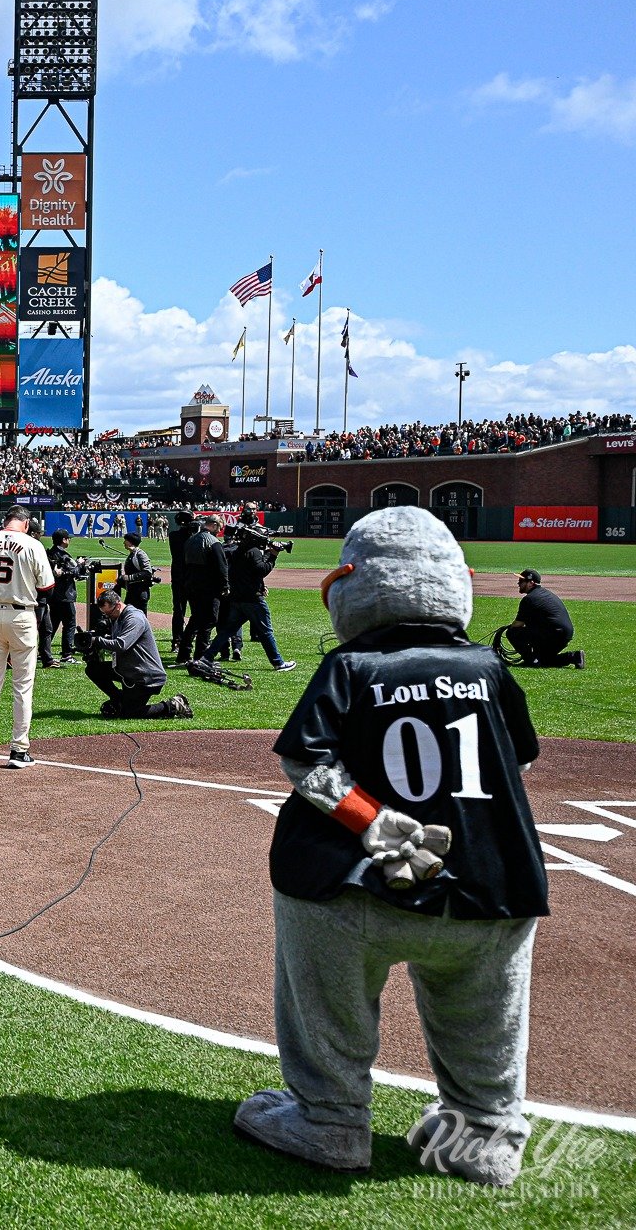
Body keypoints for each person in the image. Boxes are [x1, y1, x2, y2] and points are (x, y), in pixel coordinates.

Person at [237, 507, 546, 1186]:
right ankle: (484, 1132)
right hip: (488, 884)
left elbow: (308, 767)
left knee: (328, 996)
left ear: (350, 583)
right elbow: (519, 758)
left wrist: (374, 822)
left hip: (350, 882)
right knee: (484, 1013)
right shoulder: (489, 668)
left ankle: (330, 1116)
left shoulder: (352, 666)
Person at [0, 506, 55, 768]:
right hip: (22, 615)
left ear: (4, 521)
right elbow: (47, 589)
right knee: (22, 686)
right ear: (26, 524)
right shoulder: (32, 544)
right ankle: (18, 751)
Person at [200, 523, 298, 672]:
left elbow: (249, 572)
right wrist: (273, 556)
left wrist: (267, 555)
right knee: (266, 631)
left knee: (228, 630)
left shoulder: (239, 551)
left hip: (238, 598)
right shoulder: (254, 552)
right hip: (252, 599)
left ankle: (206, 658)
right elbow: (261, 570)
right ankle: (278, 662)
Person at [81, 590, 192, 719]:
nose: (107, 617)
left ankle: (173, 705)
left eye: (109, 614)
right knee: (94, 669)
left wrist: (97, 641)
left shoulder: (134, 618)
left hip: (146, 676)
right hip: (128, 670)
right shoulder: (117, 617)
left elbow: (122, 645)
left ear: (117, 605)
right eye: (104, 614)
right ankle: (120, 698)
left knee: (129, 713)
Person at [503, 570, 583, 668]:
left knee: (512, 632)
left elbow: (517, 625)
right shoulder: (545, 594)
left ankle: (531, 661)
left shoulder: (529, 599)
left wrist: (507, 628)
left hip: (552, 634)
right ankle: (574, 656)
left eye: (521, 580)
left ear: (531, 583)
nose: (518, 583)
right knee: (544, 661)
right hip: (565, 634)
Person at [178, 515, 229, 667]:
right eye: (219, 527)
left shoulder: (191, 540)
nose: (220, 531)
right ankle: (201, 656)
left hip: (191, 585)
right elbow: (222, 567)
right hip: (209, 587)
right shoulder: (214, 543)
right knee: (209, 620)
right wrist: (225, 586)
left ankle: (183, 653)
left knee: (195, 619)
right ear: (213, 525)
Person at [38, 528, 80, 668]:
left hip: (53, 595)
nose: (69, 540)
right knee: (69, 624)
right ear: (64, 540)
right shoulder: (63, 555)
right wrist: (80, 564)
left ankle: (43, 651)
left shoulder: (49, 553)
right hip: (65, 596)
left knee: (52, 625)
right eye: (68, 538)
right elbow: (75, 572)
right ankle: (67, 654)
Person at [167, 510, 197, 659]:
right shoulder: (193, 537)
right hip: (191, 577)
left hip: (178, 577)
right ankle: (188, 639)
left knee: (178, 611)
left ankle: (177, 641)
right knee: (194, 611)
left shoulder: (173, 536)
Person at [119, 530, 157, 618]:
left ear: (130, 542)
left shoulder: (140, 554)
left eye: (126, 540)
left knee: (139, 618)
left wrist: (129, 577)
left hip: (140, 592)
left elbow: (147, 573)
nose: (123, 543)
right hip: (132, 591)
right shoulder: (132, 554)